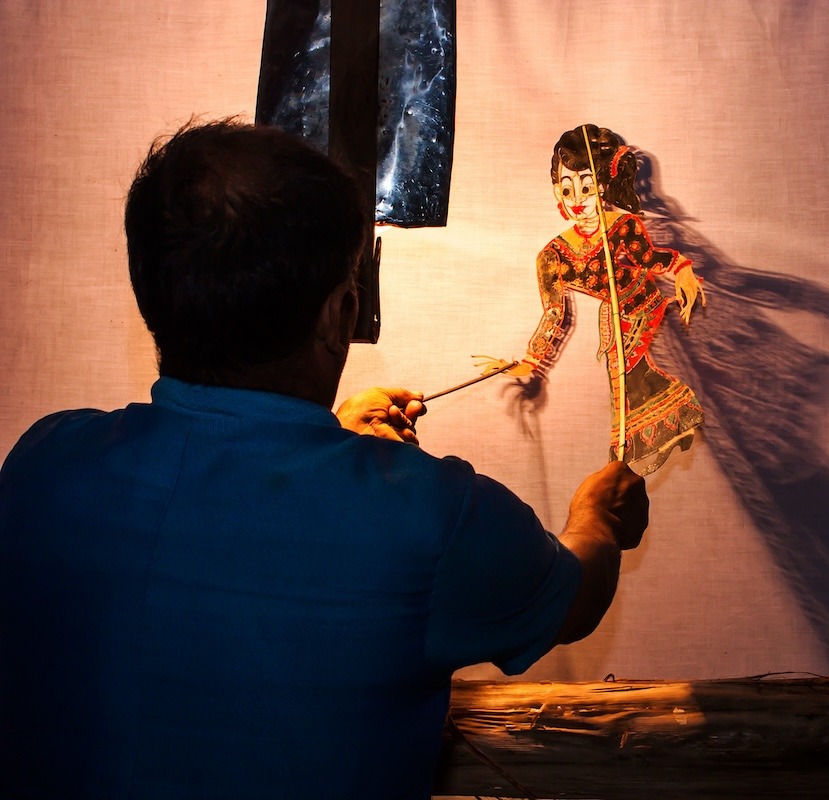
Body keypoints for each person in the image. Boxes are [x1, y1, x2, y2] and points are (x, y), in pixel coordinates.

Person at [0, 120, 649, 799]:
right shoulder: (432, 518)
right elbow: (573, 597)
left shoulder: (44, 466)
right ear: (340, 313)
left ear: (150, 296)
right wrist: (596, 517)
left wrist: (334, 441)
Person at [486, 124, 707, 474]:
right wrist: (530, 363)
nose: (577, 200)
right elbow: (554, 313)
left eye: (586, 187)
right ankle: (667, 426)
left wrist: (681, 267)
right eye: (567, 188)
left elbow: (649, 259)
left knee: (626, 374)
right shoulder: (553, 255)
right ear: (556, 190)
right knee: (621, 374)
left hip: (642, 302)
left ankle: (665, 426)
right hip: (614, 314)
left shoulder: (623, 225)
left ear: (602, 186)